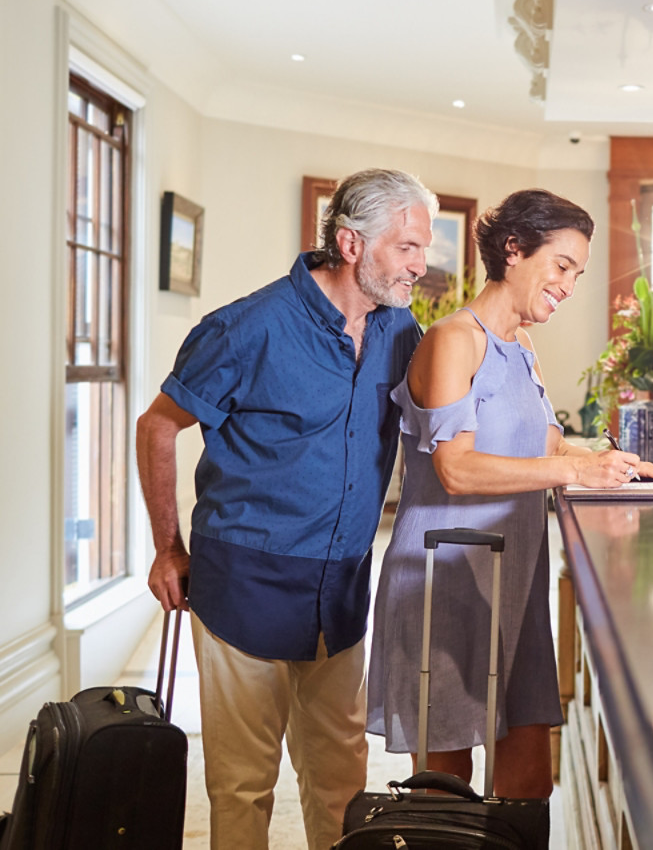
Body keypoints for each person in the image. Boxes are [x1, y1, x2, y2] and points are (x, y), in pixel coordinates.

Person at [135, 168, 435, 850]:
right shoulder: (247, 329)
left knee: (342, 782)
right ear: (352, 243)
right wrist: (166, 547)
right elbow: (157, 426)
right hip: (246, 582)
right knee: (243, 787)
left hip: (340, 589)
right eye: (409, 246)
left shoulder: (399, 331)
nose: (422, 264)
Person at [368, 188, 653, 797]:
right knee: (446, 789)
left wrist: (619, 462)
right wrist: (574, 472)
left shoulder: (523, 346)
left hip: (514, 577)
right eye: (562, 265)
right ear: (514, 249)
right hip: (446, 577)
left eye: (577, 273)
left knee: (530, 781)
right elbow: (457, 469)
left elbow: (544, 448)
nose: (568, 284)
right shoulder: (454, 340)